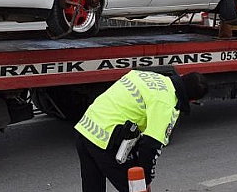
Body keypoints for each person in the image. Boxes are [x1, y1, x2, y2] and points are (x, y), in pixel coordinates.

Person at [75, 70, 209, 192]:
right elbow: (150, 146)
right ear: (192, 100)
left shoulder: (148, 75)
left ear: (181, 76)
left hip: (86, 126)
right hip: (105, 139)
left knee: (92, 188)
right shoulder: (167, 104)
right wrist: (145, 180)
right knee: (137, 188)